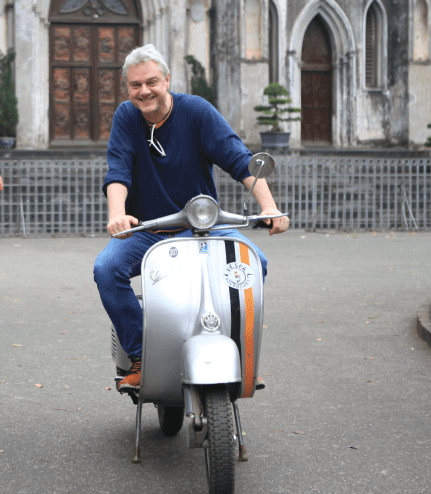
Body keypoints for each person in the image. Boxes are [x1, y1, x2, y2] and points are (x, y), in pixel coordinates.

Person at [93, 44, 290, 392]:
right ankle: (140, 357)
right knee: (106, 269)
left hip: (203, 226)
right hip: (148, 229)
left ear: (167, 80)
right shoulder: (127, 117)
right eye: (136, 85)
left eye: (152, 81)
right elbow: (117, 171)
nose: (144, 91)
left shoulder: (196, 111)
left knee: (253, 263)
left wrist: (269, 208)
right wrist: (117, 215)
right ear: (128, 89)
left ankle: (242, 356)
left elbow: (239, 158)